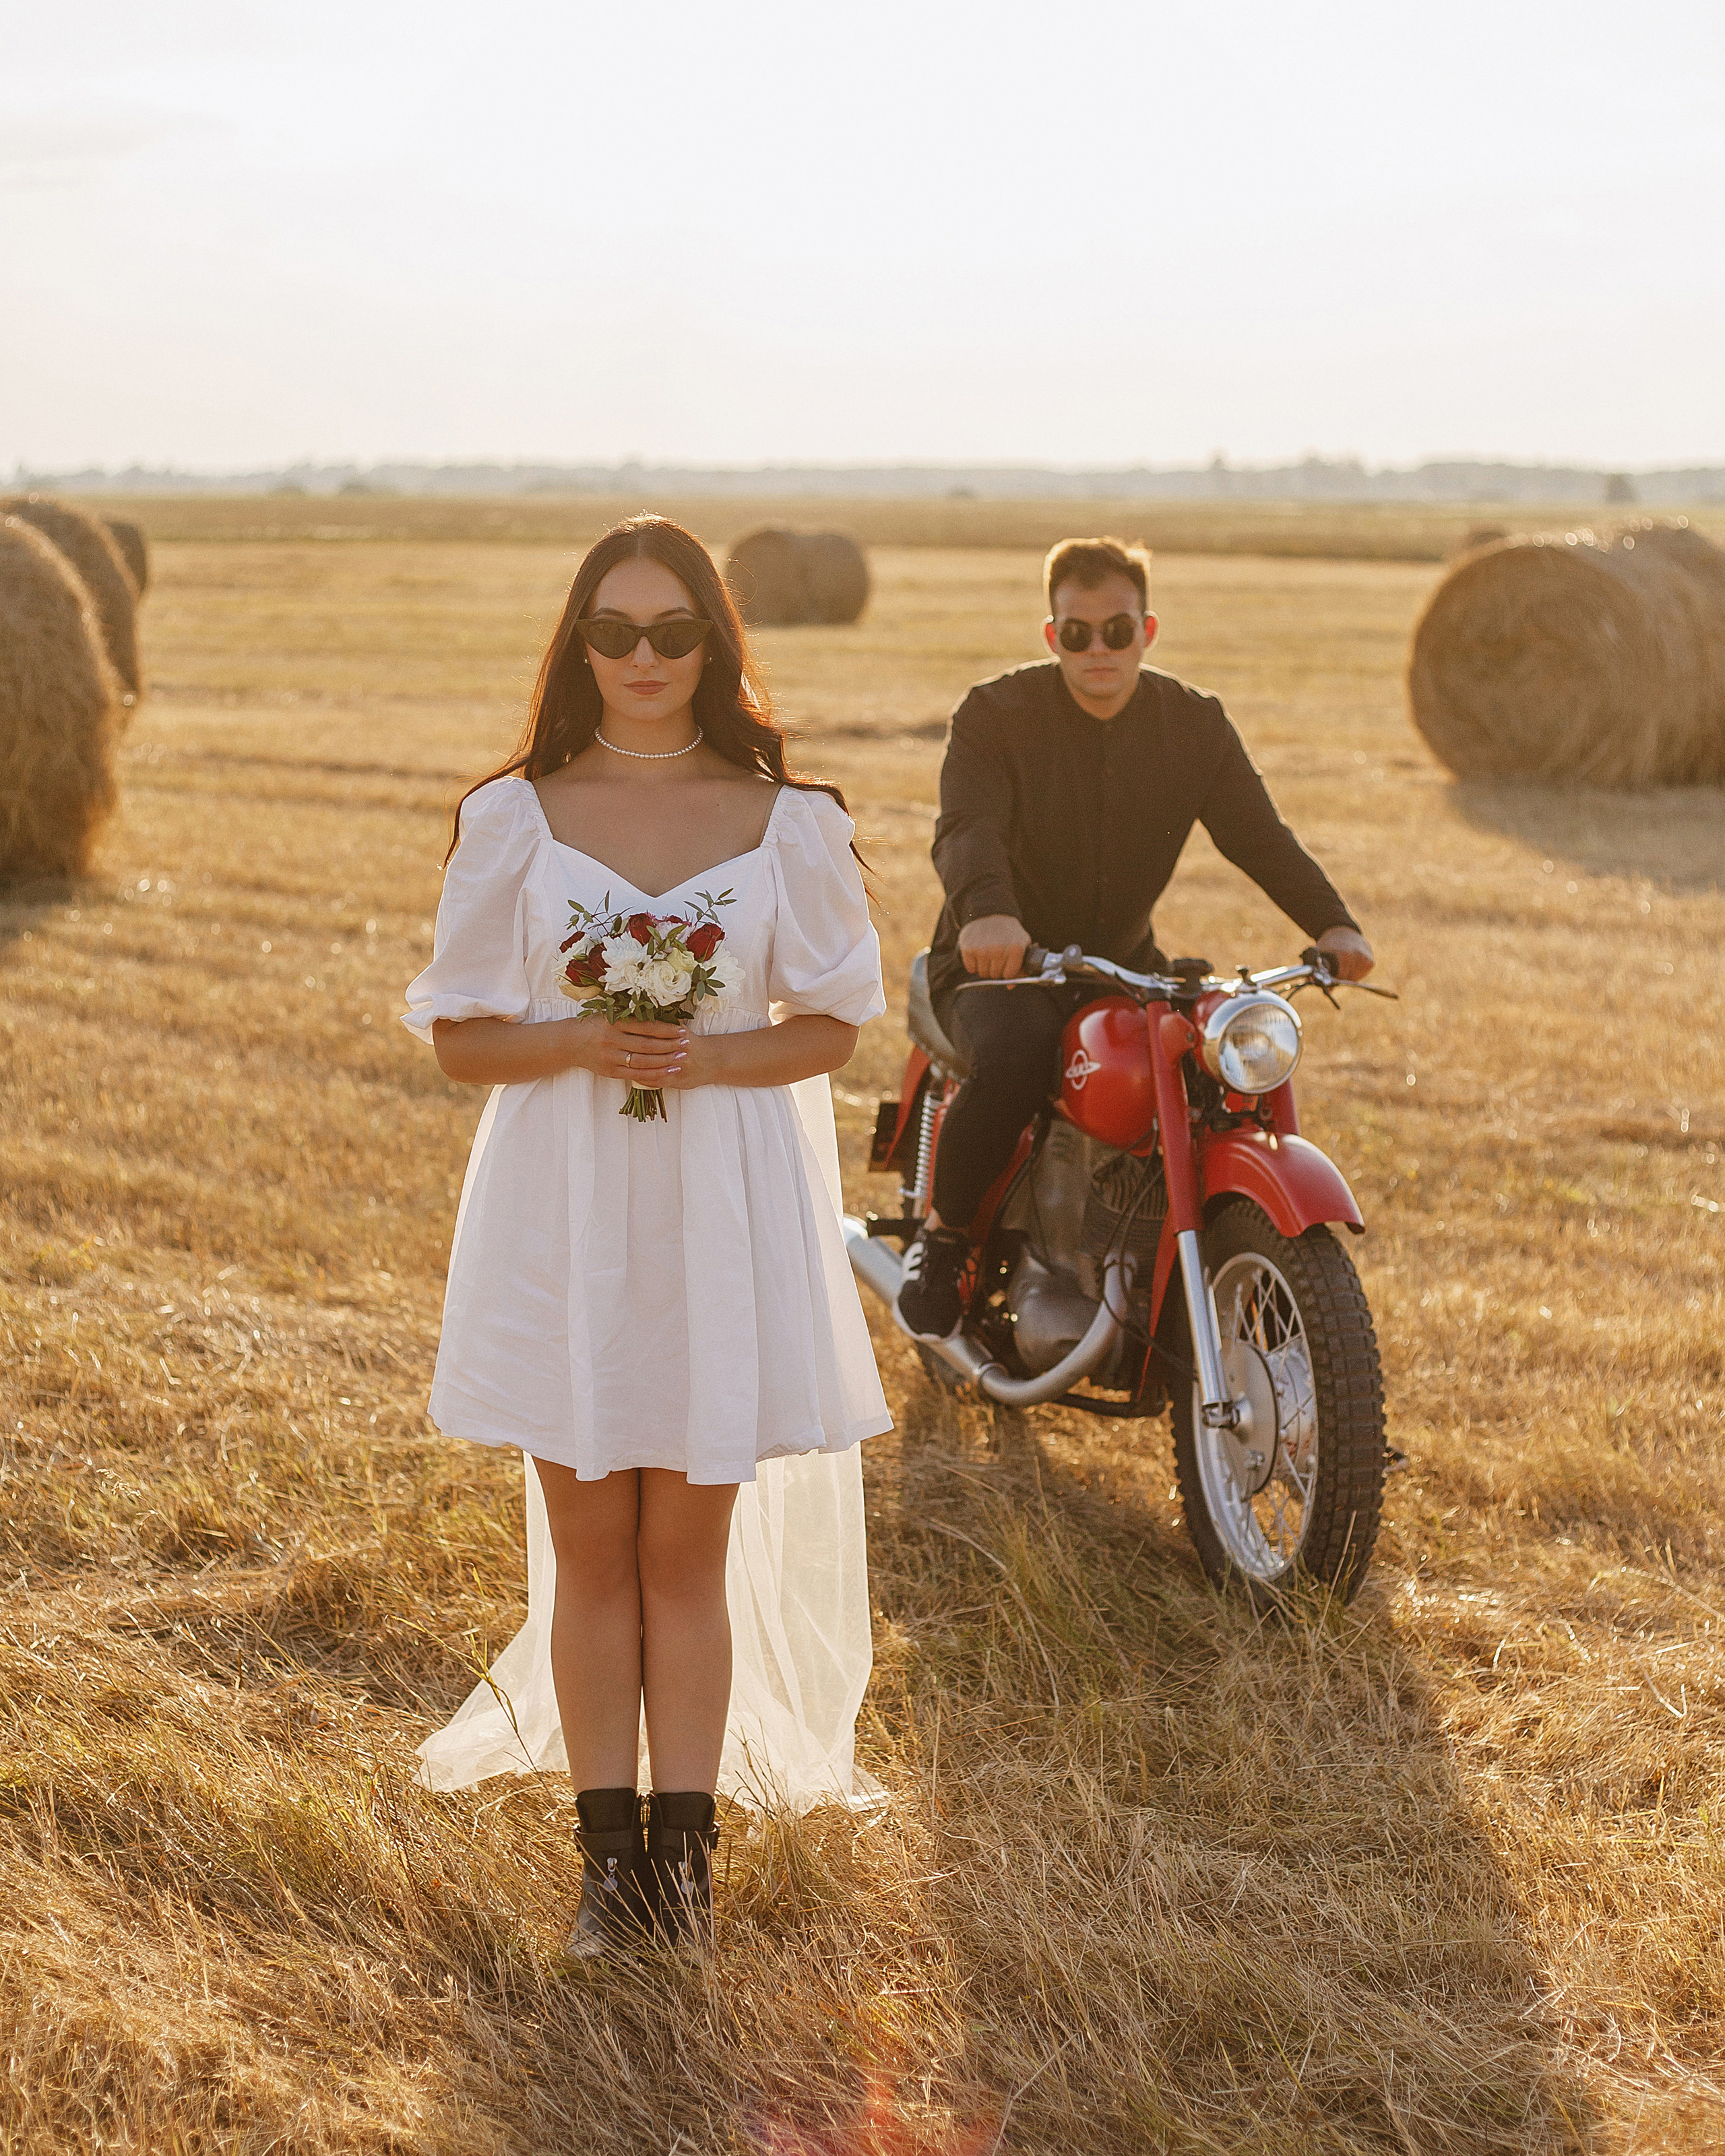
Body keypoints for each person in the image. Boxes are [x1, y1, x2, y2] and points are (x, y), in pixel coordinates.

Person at [404, 515, 891, 1959]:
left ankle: (682, 1873)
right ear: (577, 643)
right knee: (586, 1546)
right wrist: (580, 1038)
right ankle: (601, 1866)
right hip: (568, 1209)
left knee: (681, 1552)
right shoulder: (516, 813)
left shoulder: (786, 815)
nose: (640, 659)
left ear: (713, 645)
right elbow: (458, 1041)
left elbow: (832, 1021)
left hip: (722, 1212)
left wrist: (701, 1059)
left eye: (671, 631)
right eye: (610, 632)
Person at [898, 535, 1374, 1339]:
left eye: (1116, 630)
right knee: (1014, 1056)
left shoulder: (1193, 724)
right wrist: (987, 910)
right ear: (1052, 637)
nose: (1098, 650)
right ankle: (942, 1240)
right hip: (1002, 966)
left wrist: (1332, 921)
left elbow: (1258, 835)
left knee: (1212, 1083)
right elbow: (965, 827)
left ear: (1146, 631)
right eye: (1076, 633)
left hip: (1120, 964)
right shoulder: (995, 714)